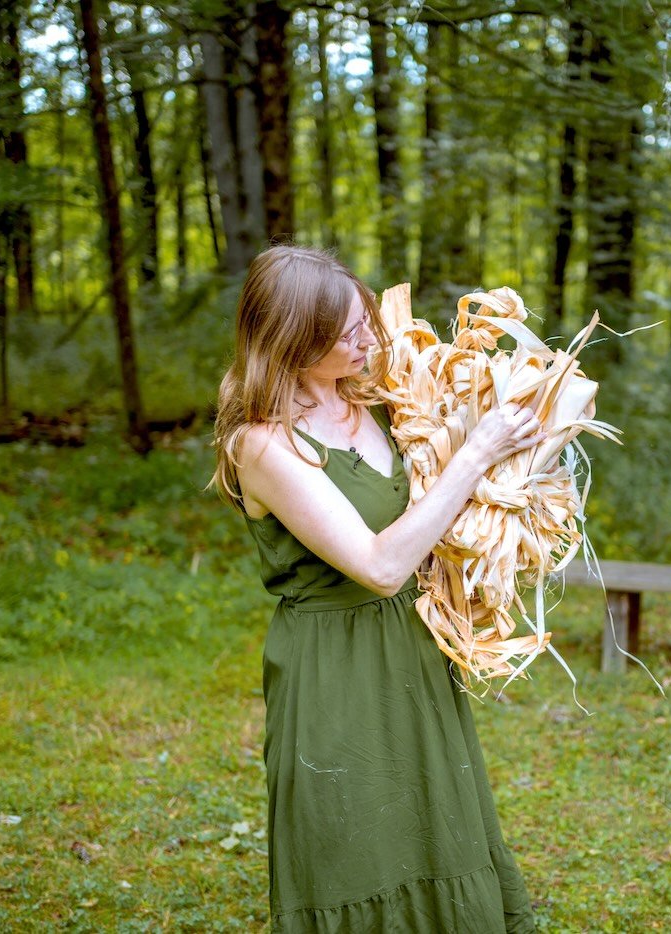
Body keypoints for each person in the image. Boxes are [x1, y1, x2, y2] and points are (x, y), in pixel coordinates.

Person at [209, 244, 542, 932]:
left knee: (434, 824)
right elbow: (379, 564)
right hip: (335, 665)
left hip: (412, 646)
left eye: (367, 322)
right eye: (348, 334)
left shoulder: (374, 398)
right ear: (292, 342)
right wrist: (478, 451)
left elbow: (432, 505)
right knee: (354, 842)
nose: (370, 341)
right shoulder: (266, 446)